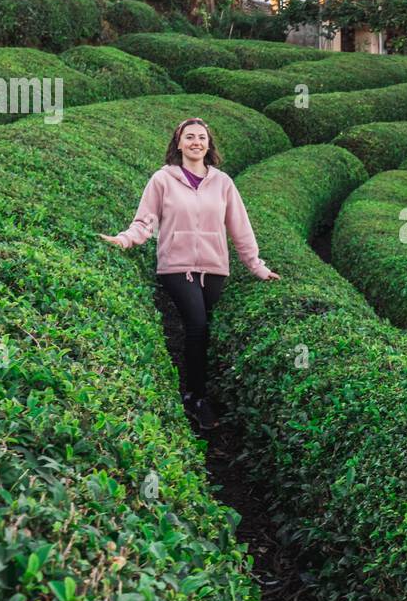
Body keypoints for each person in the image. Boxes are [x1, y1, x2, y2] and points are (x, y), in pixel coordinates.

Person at [101, 118, 280, 429]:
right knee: (197, 325)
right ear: (179, 143)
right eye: (189, 137)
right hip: (176, 267)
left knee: (201, 328)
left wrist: (257, 266)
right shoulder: (162, 179)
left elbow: (240, 228)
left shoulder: (223, 182)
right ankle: (195, 398)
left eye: (202, 137)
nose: (196, 142)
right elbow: (145, 222)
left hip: (214, 270)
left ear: (208, 145)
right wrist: (125, 239)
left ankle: (192, 389)